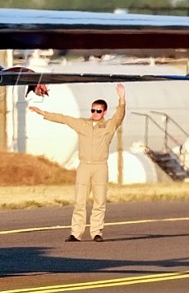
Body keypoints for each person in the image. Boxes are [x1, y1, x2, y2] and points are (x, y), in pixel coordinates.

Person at [29, 83, 126, 242]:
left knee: (99, 201)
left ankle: (96, 232)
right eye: (93, 110)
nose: (95, 113)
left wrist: (122, 99)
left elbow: (119, 116)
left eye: (98, 111)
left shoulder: (109, 126)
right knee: (79, 201)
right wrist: (43, 113)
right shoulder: (83, 124)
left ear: (104, 112)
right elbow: (64, 119)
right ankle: (76, 233)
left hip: (100, 166)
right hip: (84, 166)